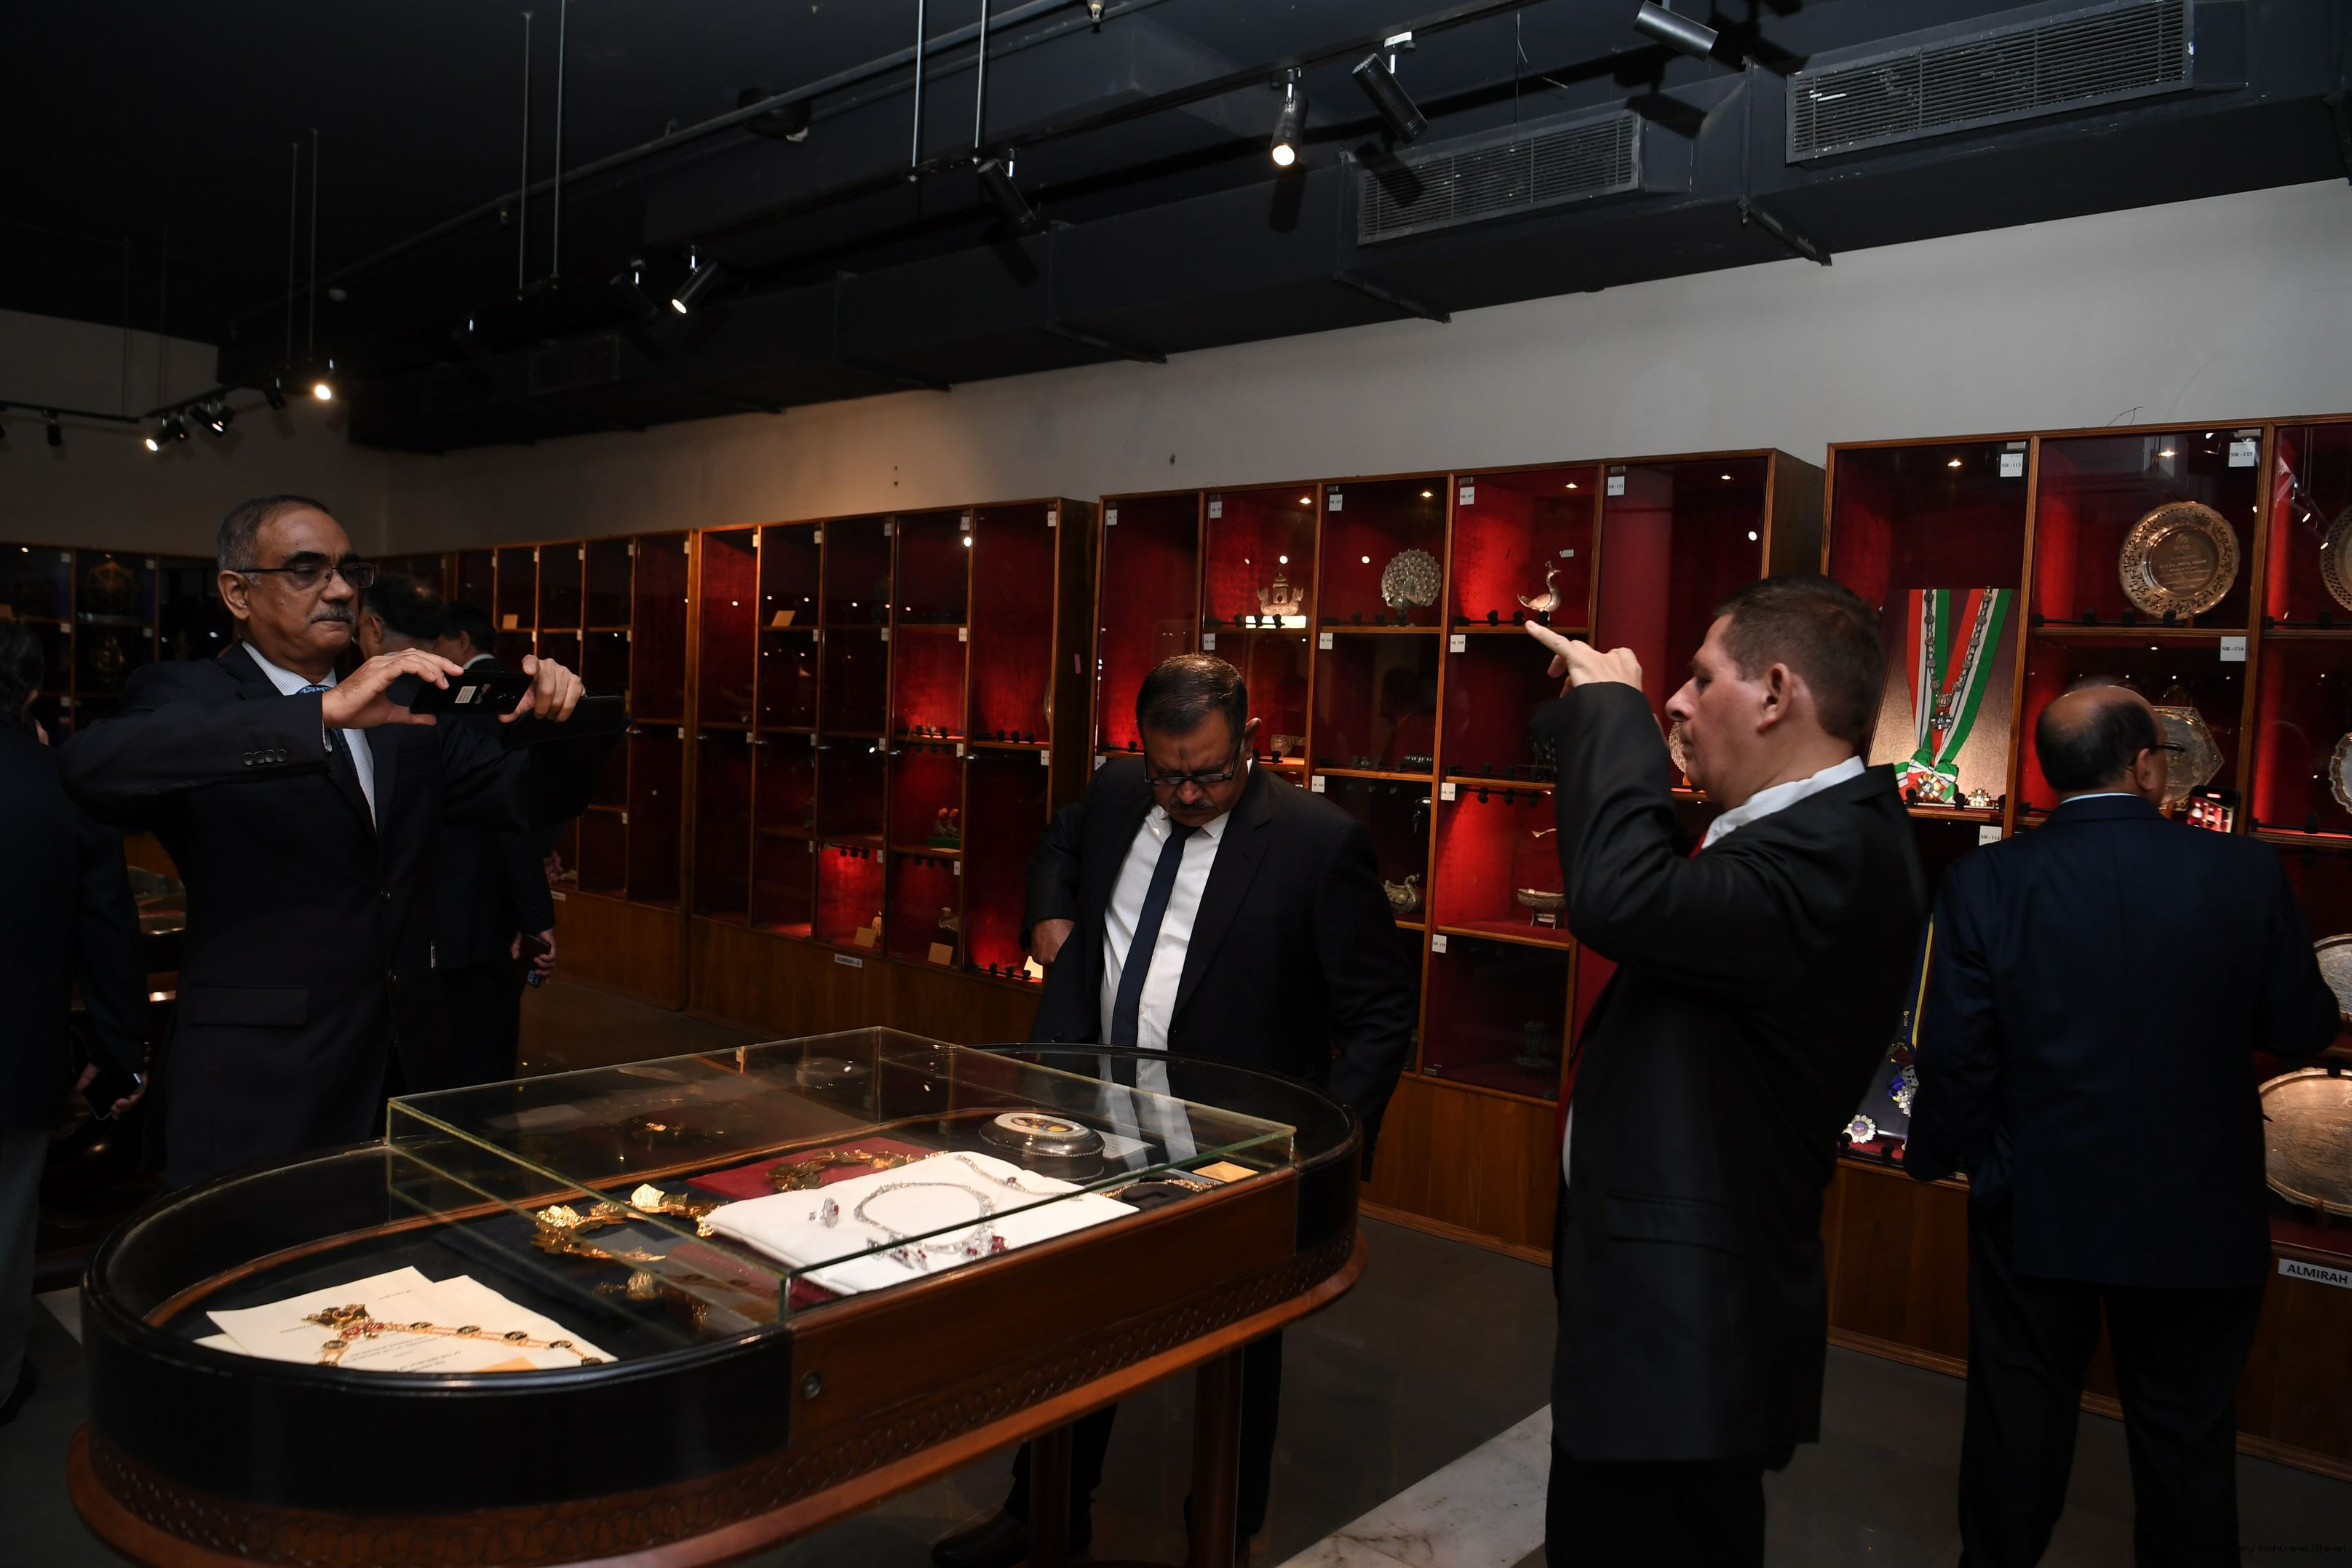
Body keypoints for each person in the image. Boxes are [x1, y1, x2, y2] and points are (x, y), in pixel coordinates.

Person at [931, 654, 1413, 1568]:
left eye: (1211, 772)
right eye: (1169, 774)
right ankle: (1044, 1509)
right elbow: (1062, 841)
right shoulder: (1121, 791)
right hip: (1090, 1118)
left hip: (1234, 1145)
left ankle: (1220, 1532)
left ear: (1250, 742)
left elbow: (1382, 1012)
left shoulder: (1317, 842)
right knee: (1074, 1314)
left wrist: (1324, 1149)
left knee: (1241, 1346)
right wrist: (1048, 913)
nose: (1188, 793)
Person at [1522, 575, 1926, 1568]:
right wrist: (1592, 721)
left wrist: (1615, 709)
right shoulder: (1794, 828)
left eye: (1702, 678)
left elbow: (1622, 896)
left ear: (1777, 692)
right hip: (1659, 1317)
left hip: (1692, 1334)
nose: (1675, 698)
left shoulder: (1839, 847)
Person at [61, 496, 614, 1187]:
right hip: (262, 1078)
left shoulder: (400, 708)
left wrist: (565, 721)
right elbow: (91, 768)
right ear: (237, 592)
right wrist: (315, 714)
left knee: (401, 1250)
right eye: (307, 570)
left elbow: (526, 796)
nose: (342, 590)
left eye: (349, 572)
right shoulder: (191, 692)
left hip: (405, 1069)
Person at [1906, 685, 2337, 1568]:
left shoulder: (1985, 879)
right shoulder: (2244, 872)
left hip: (2035, 1203)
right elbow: (2301, 1027)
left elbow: (1954, 1051)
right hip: (2200, 1207)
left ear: (2048, 772)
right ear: (2146, 766)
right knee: (2186, 1446)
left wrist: (1952, 1159)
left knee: (2015, 1430)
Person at [0, 623, 147, 1425]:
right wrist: (121, 1051)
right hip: (14, 1049)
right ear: (31, 693)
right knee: (5, 1217)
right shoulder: (59, 784)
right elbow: (107, 925)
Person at [362, 581, 557, 1087]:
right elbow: (523, 811)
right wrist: (535, 915)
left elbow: (509, 814)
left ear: (373, 627)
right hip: (481, 919)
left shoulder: (373, 705)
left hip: (417, 925)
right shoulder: (481, 694)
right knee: (479, 1067)